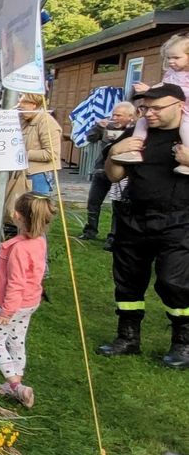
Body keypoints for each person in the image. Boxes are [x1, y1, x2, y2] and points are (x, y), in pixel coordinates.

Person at [100, 82, 189, 368]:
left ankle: (183, 343)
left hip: (179, 220)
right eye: (145, 108)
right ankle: (127, 337)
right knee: (127, 280)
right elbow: (113, 176)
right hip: (133, 217)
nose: (149, 114)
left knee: (173, 281)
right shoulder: (137, 132)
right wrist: (116, 153)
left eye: (157, 108)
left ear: (179, 106)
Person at [0, 192, 55, 409]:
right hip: (30, 301)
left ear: (16, 215)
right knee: (16, 341)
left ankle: (16, 386)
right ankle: (17, 379)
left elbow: (15, 283)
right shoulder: (37, 241)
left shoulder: (18, 249)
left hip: (14, 305)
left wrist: (6, 311)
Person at [113, 33, 189, 174]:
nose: (171, 61)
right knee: (142, 121)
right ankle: (135, 149)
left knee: (186, 128)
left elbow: (178, 92)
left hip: (185, 109)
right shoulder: (170, 73)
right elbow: (164, 86)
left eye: (176, 58)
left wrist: (152, 90)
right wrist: (151, 89)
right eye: (168, 58)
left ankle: (186, 157)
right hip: (174, 108)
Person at [77, 102, 136, 247]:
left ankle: (113, 236)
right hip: (102, 170)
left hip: (122, 173)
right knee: (93, 202)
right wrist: (98, 127)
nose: (114, 118)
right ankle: (90, 231)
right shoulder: (106, 127)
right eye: (113, 114)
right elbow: (90, 138)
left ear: (130, 117)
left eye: (119, 115)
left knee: (118, 205)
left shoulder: (135, 131)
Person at [18, 92, 63, 196]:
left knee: (35, 210)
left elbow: (51, 153)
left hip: (38, 176)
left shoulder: (47, 122)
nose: (20, 106)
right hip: (23, 174)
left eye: (24, 103)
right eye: (19, 102)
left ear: (34, 105)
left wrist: (23, 154)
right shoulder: (24, 119)